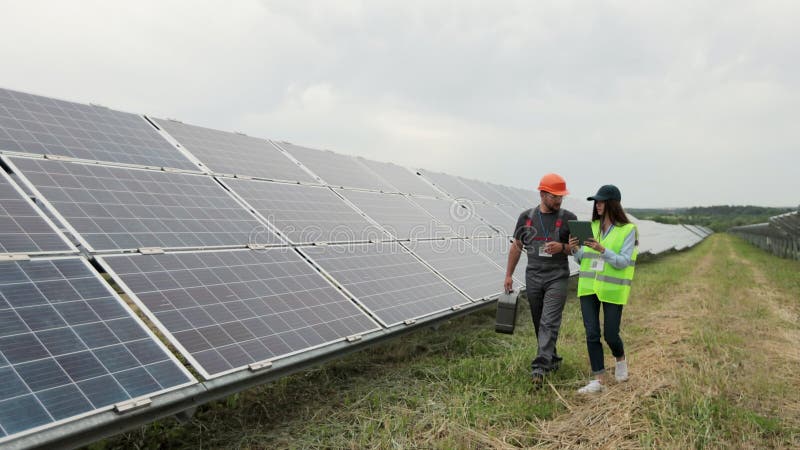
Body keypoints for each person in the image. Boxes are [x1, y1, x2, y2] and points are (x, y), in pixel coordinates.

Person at [505, 173, 577, 385]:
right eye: (555, 196)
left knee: (549, 321)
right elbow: (516, 247)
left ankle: (539, 368)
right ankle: (552, 359)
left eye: (561, 197)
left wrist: (562, 247)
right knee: (539, 321)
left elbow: (579, 250)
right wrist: (508, 274)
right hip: (534, 277)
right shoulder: (526, 218)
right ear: (543, 194)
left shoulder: (569, 218)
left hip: (558, 277)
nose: (559, 200)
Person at [568, 184, 638, 393]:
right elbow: (583, 260)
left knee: (610, 334)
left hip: (611, 289)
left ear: (612, 204)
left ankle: (620, 359)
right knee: (591, 333)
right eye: (596, 202)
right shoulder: (592, 227)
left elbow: (623, 262)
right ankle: (598, 379)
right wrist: (575, 249)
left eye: (601, 202)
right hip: (588, 287)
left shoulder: (628, 230)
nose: (598, 206)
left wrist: (603, 249)